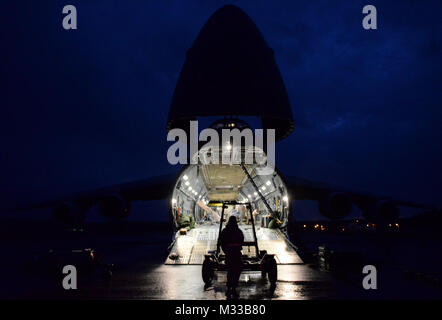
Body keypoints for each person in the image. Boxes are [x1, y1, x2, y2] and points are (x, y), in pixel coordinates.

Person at [220, 216, 244, 298]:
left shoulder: (225, 231)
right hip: (237, 254)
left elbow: (222, 242)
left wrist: (226, 250)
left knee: (230, 271)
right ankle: (233, 287)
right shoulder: (238, 231)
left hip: (229, 254)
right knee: (237, 270)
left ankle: (229, 287)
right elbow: (241, 241)